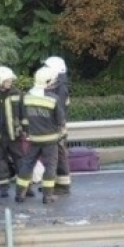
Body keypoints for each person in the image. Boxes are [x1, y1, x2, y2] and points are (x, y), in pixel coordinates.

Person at [15, 66, 64, 204]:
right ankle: (47, 196)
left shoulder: (27, 97)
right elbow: (60, 120)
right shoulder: (53, 99)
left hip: (34, 138)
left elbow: (23, 118)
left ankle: (20, 193)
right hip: (50, 139)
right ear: (47, 81)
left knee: (27, 164)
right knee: (50, 167)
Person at [0, 66, 25, 198]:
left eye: (10, 80)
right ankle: (3, 188)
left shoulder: (17, 94)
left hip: (14, 136)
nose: (10, 83)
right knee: (0, 162)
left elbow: (23, 114)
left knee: (20, 161)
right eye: (7, 80)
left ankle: (25, 187)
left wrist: (25, 130)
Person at [44, 56, 71, 195]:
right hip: (55, 125)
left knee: (59, 155)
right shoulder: (56, 86)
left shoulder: (60, 88)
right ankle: (54, 183)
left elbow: (58, 109)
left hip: (57, 126)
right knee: (53, 156)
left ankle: (63, 185)